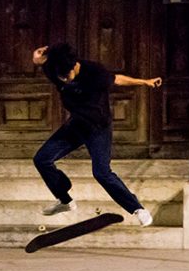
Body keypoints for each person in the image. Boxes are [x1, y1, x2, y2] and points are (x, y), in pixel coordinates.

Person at [32, 43, 162, 226]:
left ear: (74, 66)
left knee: (101, 173)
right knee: (41, 159)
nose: (65, 81)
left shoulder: (95, 73)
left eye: (67, 76)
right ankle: (65, 200)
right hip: (77, 124)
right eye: (61, 78)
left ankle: (137, 208)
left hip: (98, 127)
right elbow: (43, 60)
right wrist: (38, 60)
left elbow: (118, 79)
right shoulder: (55, 68)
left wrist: (145, 82)